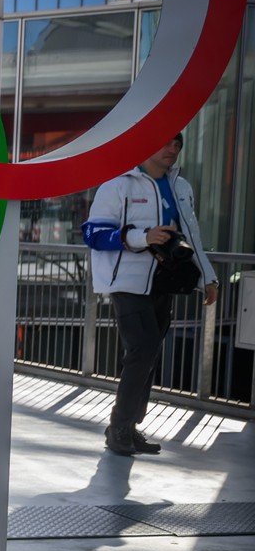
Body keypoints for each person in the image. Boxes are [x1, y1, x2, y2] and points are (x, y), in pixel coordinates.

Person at [83, 132, 219, 455]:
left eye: (177, 145)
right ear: (147, 144)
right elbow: (92, 233)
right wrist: (144, 237)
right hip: (126, 283)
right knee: (142, 349)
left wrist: (209, 278)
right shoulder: (117, 185)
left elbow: (193, 236)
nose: (172, 149)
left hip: (164, 281)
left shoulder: (181, 188)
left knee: (149, 354)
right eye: (166, 142)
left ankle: (129, 427)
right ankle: (119, 427)